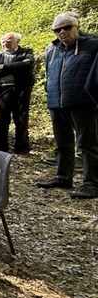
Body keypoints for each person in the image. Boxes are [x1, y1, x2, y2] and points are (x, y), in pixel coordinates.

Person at [36, 12, 98, 198]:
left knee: (88, 144)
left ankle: (92, 183)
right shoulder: (51, 49)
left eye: (67, 27)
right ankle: (63, 176)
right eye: (57, 29)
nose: (62, 32)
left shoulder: (93, 45)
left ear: (77, 27)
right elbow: (49, 73)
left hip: (83, 102)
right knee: (62, 143)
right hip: (56, 102)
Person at [0, 32, 35, 155]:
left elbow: (28, 64)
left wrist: (4, 67)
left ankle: (22, 148)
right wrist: (14, 67)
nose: (5, 43)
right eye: (3, 41)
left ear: (17, 41)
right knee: (1, 119)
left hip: (21, 90)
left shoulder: (26, 52)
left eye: (9, 41)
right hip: (1, 90)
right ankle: (0, 147)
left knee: (21, 119)